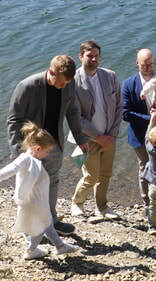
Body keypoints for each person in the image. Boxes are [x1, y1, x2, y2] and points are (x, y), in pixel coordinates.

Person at [7, 55, 90, 236]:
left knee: (52, 183)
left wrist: (80, 139)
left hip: (54, 145)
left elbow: (72, 111)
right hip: (31, 148)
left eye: (67, 83)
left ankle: (51, 221)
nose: (64, 86)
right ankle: (31, 230)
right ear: (51, 72)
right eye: (60, 83)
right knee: (30, 188)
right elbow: (13, 121)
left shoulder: (68, 84)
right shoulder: (27, 86)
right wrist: (16, 152)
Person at [0, 122, 79, 260]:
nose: (47, 154)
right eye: (47, 151)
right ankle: (31, 250)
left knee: (47, 222)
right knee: (40, 227)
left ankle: (60, 246)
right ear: (37, 148)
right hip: (33, 201)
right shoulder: (25, 159)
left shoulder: (32, 158)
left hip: (38, 200)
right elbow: (9, 170)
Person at [70, 40, 123, 221]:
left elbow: (119, 107)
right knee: (91, 176)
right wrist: (97, 137)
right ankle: (77, 202)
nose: (93, 59)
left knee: (105, 175)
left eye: (96, 56)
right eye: (89, 55)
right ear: (81, 56)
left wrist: (112, 134)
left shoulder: (110, 76)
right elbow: (75, 116)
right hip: (88, 138)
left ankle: (102, 207)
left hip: (109, 137)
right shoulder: (74, 81)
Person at [122, 49, 156, 214]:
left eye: (151, 64)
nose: (148, 68)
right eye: (145, 65)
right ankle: (148, 204)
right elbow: (125, 113)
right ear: (137, 63)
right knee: (145, 168)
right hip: (139, 134)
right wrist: (149, 118)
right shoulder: (129, 84)